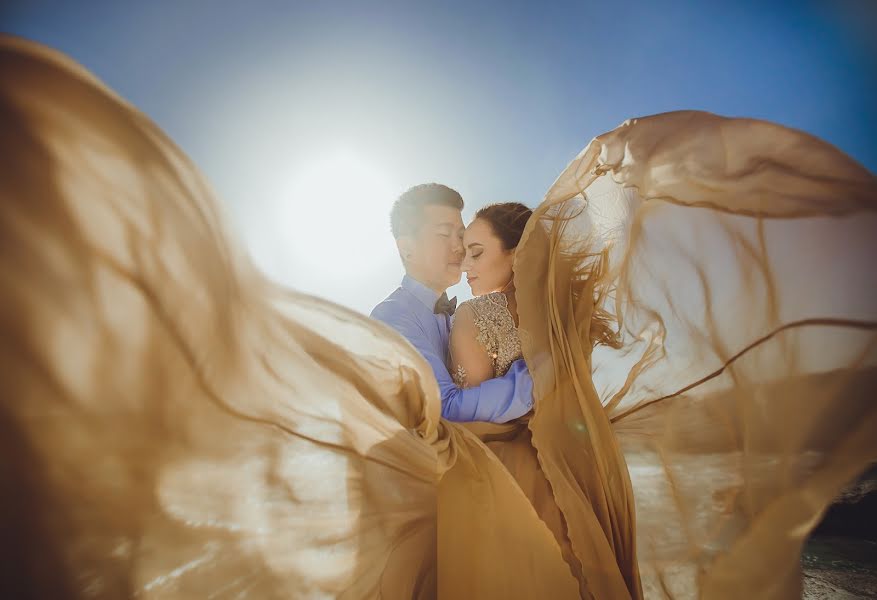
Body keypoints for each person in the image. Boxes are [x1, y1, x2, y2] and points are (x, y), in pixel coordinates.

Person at [2, 36, 876, 600]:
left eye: (468, 238)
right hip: (447, 487)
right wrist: (524, 392)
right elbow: (439, 410)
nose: (460, 250)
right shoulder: (399, 315)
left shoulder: (473, 312)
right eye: (449, 237)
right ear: (405, 240)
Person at [370, 184, 533, 423]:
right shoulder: (392, 315)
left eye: (460, 235)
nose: (459, 247)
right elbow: (442, 409)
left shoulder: (462, 314)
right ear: (407, 249)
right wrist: (539, 374)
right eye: (444, 234)